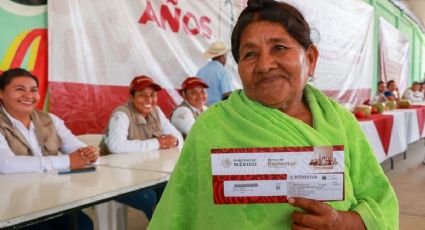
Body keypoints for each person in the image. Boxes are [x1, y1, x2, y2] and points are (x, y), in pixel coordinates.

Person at [149, 1, 398, 229]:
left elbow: (381, 204)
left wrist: (342, 222)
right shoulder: (212, 127)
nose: (265, 65)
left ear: (310, 59)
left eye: (279, 48)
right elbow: (179, 212)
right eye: (250, 54)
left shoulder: (339, 122)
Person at [0, 68, 95, 229]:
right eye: (19, 89)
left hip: (49, 195)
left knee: (83, 225)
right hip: (10, 205)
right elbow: (6, 164)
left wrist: (89, 152)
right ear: (1, 94)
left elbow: (76, 147)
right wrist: (67, 161)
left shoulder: (50, 119)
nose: (29, 96)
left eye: (33, 90)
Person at [100, 75, 183, 220]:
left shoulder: (156, 111)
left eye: (152, 95)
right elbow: (116, 146)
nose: (148, 100)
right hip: (115, 175)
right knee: (149, 199)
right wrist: (158, 143)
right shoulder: (122, 114)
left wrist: (174, 141)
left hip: (145, 171)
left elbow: (177, 136)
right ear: (131, 98)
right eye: (142, 95)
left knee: (171, 190)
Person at [196, 41, 234, 105]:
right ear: (222, 56)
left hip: (203, 110)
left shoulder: (200, 71)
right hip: (217, 110)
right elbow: (228, 95)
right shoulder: (223, 71)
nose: (226, 59)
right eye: (226, 56)